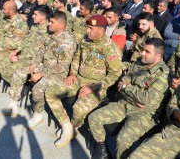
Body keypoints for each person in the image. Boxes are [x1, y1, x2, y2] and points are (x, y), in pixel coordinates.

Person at [45, 15, 123, 147]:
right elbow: (76, 58)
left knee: (78, 109)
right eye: (87, 27)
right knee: (51, 92)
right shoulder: (85, 41)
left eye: (91, 28)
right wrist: (73, 73)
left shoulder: (111, 48)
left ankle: (74, 127)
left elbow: (115, 74)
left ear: (101, 30)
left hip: (97, 86)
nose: (87, 31)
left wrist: (93, 87)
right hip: (78, 79)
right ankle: (67, 127)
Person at [89, 38, 170, 158]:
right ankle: (103, 152)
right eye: (143, 50)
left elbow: (145, 99)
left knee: (122, 141)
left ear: (158, 56)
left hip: (144, 114)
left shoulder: (164, 74)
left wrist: (128, 88)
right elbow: (123, 82)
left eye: (147, 52)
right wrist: (129, 89)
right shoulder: (140, 62)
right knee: (93, 118)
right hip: (125, 103)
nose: (142, 53)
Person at [0, 6, 52, 118]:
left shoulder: (47, 30)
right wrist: (15, 51)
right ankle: (17, 92)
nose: (32, 16)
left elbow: (38, 51)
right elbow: (26, 40)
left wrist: (19, 57)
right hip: (23, 55)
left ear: (43, 17)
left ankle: (16, 97)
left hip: (33, 60)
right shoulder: (35, 26)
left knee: (9, 72)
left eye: (35, 14)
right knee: (1, 67)